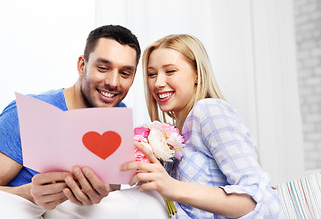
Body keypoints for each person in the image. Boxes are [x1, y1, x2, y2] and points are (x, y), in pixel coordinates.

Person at [0, 25, 141, 210]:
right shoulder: (26, 113)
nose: (113, 82)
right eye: (102, 68)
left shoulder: (118, 115)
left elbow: (111, 191)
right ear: (82, 66)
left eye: (124, 73)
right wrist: (28, 194)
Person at [121, 34, 283, 218]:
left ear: (197, 74)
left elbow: (263, 203)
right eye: (152, 74)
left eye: (170, 71)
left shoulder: (209, 111)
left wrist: (172, 187)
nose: (158, 83)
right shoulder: (175, 133)